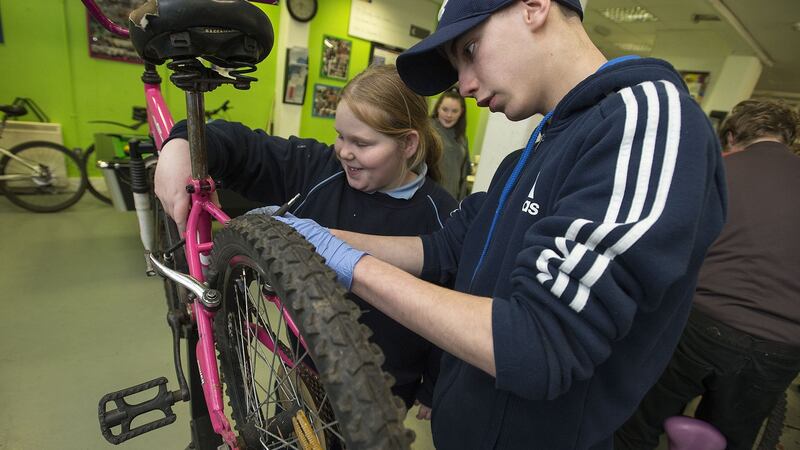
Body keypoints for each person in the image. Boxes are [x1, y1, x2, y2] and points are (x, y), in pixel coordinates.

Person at [269, 0, 728, 448]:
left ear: (534, 7)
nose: (464, 86)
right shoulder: (536, 149)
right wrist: (311, 239)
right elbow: (444, 248)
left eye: (470, 50)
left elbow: (538, 342)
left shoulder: (644, 123)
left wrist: (354, 266)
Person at [154, 64, 457, 416]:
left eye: (362, 143)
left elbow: (453, 307)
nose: (344, 151)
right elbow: (241, 145)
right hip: (303, 365)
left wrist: (433, 387)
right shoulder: (319, 168)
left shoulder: (441, 216)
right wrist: (180, 144)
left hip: (384, 389)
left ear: (408, 144)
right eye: (341, 136)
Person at [615, 99, 800, 450]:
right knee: (729, 440)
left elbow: (669, 245)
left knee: (639, 421)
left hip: (702, 324)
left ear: (731, 136)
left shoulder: (718, 171)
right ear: (787, 139)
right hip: (783, 344)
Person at [431, 88, 471, 200]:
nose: (449, 115)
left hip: (452, 200)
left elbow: (463, 176)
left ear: (461, 112)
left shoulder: (462, 138)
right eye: (445, 109)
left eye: (454, 111)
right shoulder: (428, 132)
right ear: (438, 108)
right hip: (431, 199)